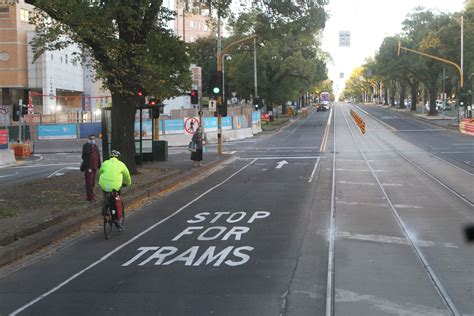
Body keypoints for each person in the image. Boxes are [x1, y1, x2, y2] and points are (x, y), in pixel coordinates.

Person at [99, 150, 132, 228]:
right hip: (115, 186)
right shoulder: (121, 164)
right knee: (115, 200)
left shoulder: (105, 163)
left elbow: (100, 172)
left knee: (106, 196)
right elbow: (127, 176)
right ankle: (115, 219)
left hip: (104, 184)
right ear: (118, 157)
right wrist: (128, 183)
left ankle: (104, 210)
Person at [81, 134, 101, 202]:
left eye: (94, 139)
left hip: (94, 167)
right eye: (91, 139)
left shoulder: (96, 146)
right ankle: (90, 197)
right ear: (89, 139)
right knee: (89, 182)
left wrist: (99, 165)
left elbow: (98, 156)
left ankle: (92, 196)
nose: (93, 140)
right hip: (89, 167)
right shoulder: (86, 146)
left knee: (92, 183)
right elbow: (84, 156)